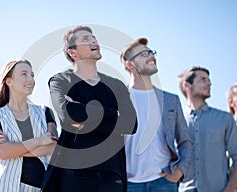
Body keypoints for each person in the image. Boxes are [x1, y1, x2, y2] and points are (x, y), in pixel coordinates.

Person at [42, 25, 137, 192]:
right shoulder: (61, 81)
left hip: (112, 175)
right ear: (73, 52)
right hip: (74, 174)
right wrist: (112, 113)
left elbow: (131, 124)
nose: (94, 41)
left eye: (94, 38)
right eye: (86, 39)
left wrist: (85, 118)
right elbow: (66, 116)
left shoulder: (117, 85)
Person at [120, 37, 193, 192]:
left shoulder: (170, 100)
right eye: (144, 54)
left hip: (164, 182)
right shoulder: (116, 100)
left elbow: (185, 141)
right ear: (130, 64)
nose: (151, 56)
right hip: (128, 184)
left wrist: (179, 172)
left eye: (151, 53)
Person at [0, 60, 58, 192]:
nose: (30, 79)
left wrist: (14, 148)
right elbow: (3, 152)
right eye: (24, 74)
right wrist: (39, 141)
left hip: (42, 187)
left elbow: (52, 148)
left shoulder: (45, 112)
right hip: (5, 186)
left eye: (32, 75)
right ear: (9, 81)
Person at [178, 66, 237, 192]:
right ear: (187, 85)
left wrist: (230, 188)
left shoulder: (225, 119)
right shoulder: (177, 121)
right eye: (203, 79)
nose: (209, 83)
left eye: (208, 80)